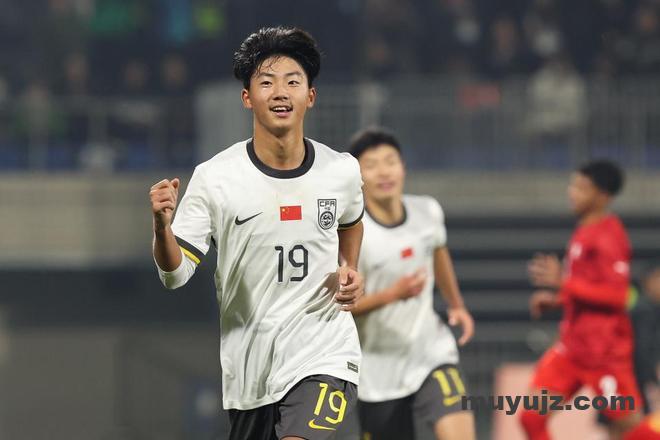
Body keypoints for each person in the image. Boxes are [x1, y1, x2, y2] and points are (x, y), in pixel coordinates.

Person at [149, 27, 365, 440]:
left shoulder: (341, 170)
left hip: (325, 353)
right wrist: (162, 228)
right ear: (247, 97)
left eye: (292, 82)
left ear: (310, 96)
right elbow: (174, 275)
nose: (280, 92)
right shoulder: (215, 178)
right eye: (267, 83)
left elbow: (352, 220)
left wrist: (349, 265)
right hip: (250, 376)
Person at [347, 127, 476, 440]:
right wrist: (393, 294)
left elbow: (438, 251)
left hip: (430, 352)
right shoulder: (353, 234)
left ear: (403, 167)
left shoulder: (427, 210)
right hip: (378, 371)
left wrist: (456, 305)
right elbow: (345, 306)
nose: (384, 172)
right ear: (358, 177)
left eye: (390, 161)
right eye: (371, 165)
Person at [522, 160, 643, 439]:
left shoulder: (610, 236)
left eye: (582, 188)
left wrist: (564, 283)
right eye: (573, 185)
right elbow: (589, 287)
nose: (572, 192)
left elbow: (617, 296)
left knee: (633, 430)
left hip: (605, 354)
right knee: (531, 418)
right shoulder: (584, 231)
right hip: (572, 350)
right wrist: (559, 300)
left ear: (603, 196)